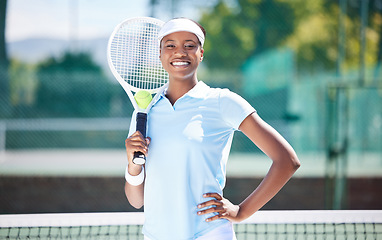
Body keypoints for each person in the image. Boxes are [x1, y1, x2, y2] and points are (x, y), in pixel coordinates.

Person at [124, 18, 301, 240]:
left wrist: (241, 211)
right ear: (160, 54)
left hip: (209, 234)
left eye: (189, 45)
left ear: (201, 54)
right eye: (170, 45)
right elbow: (136, 200)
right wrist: (132, 165)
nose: (180, 52)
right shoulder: (144, 112)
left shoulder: (222, 101)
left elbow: (287, 161)